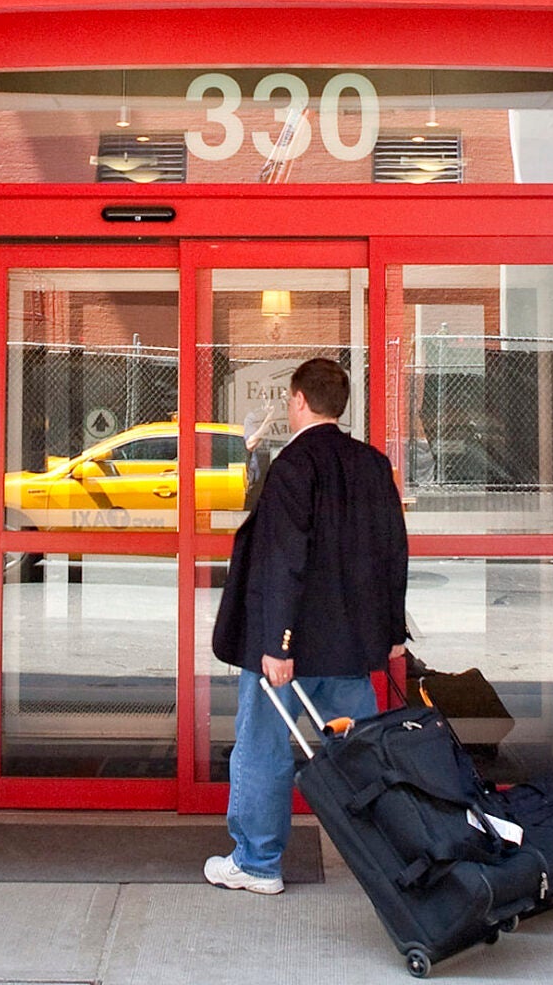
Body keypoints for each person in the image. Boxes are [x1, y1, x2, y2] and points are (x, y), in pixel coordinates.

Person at [205, 355, 410, 895]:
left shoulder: (293, 466)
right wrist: (393, 632)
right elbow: (394, 552)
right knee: (361, 758)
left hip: (289, 651)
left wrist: (277, 643)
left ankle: (257, 863)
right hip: (350, 649)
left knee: (263, 750)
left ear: (298, 400)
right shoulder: (372, 464)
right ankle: (398, 861)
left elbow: (283, 560)